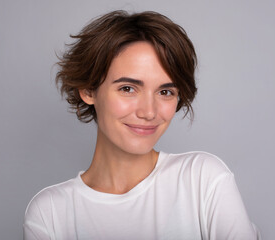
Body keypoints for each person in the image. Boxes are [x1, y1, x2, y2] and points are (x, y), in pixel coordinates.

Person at [23, 10, 260, 240]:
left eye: (165, 91)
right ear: (88, 89)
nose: (149, 112)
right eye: (128, 88)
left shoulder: (202, 179)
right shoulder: (50, 214)